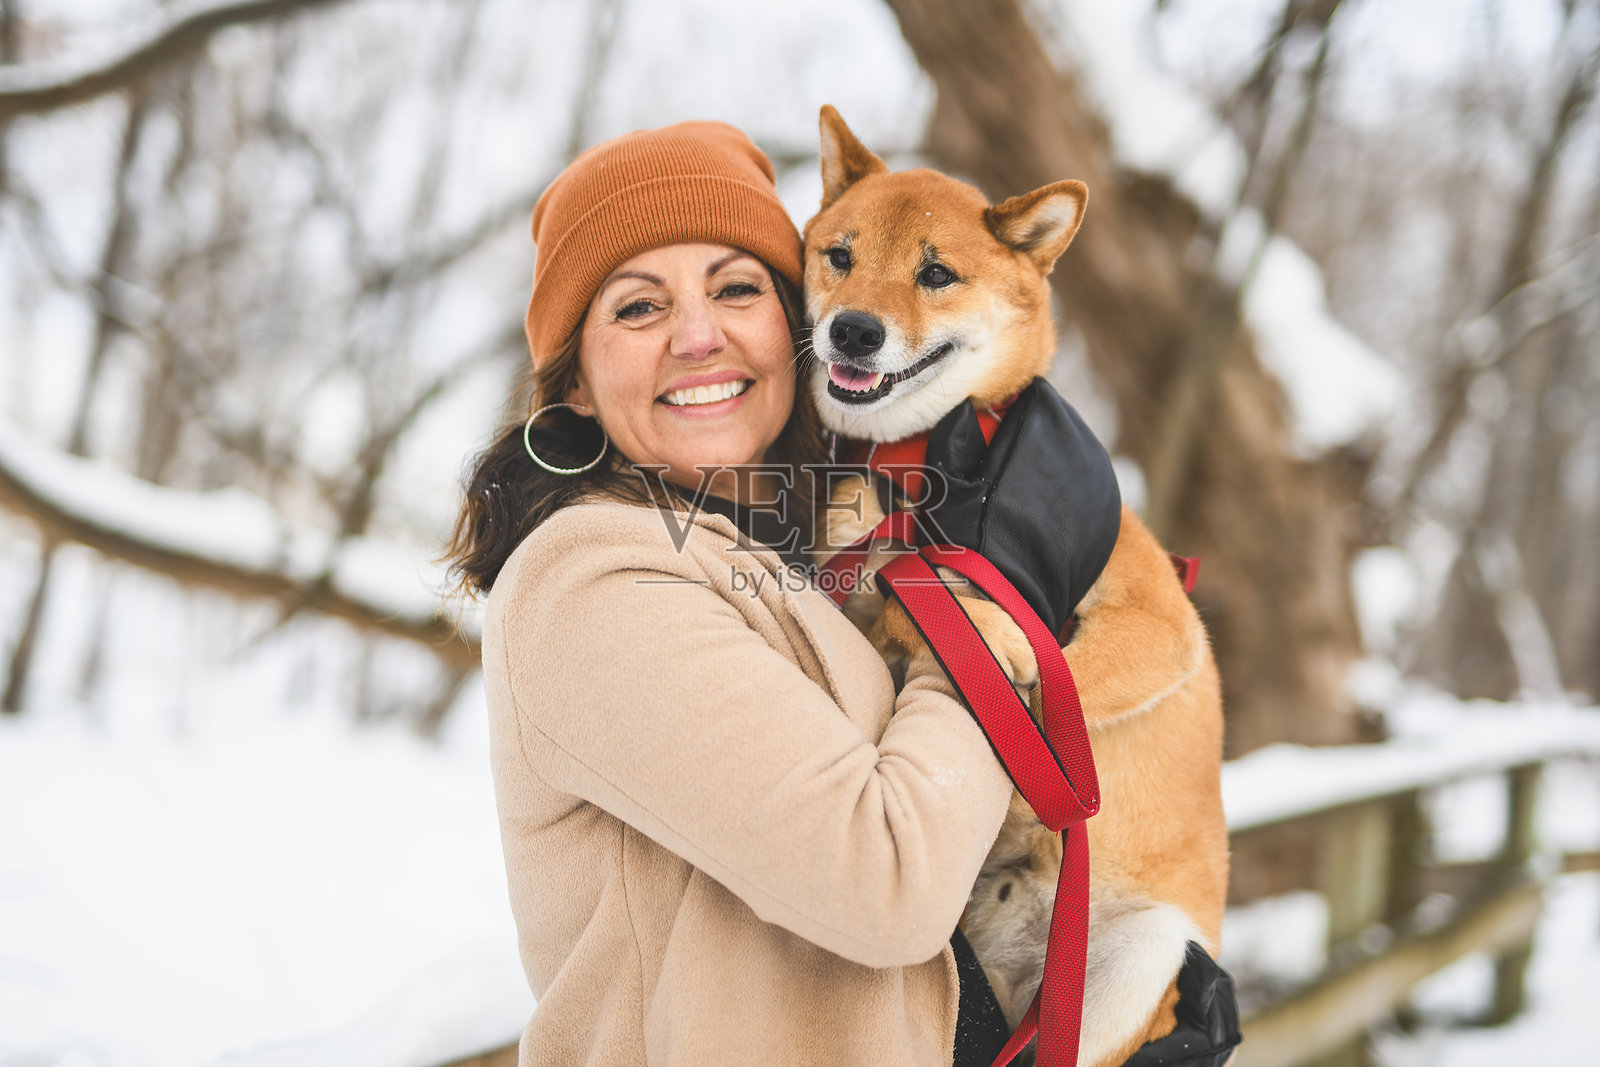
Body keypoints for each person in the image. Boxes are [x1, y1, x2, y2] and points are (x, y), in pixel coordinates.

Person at [447, 121, 1098, 1066]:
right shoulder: (591, 581)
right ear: (576, 385)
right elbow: (888, 879)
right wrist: (997, 605)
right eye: (636, 308)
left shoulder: (783, 552)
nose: (700, 336)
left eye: (738, 287)